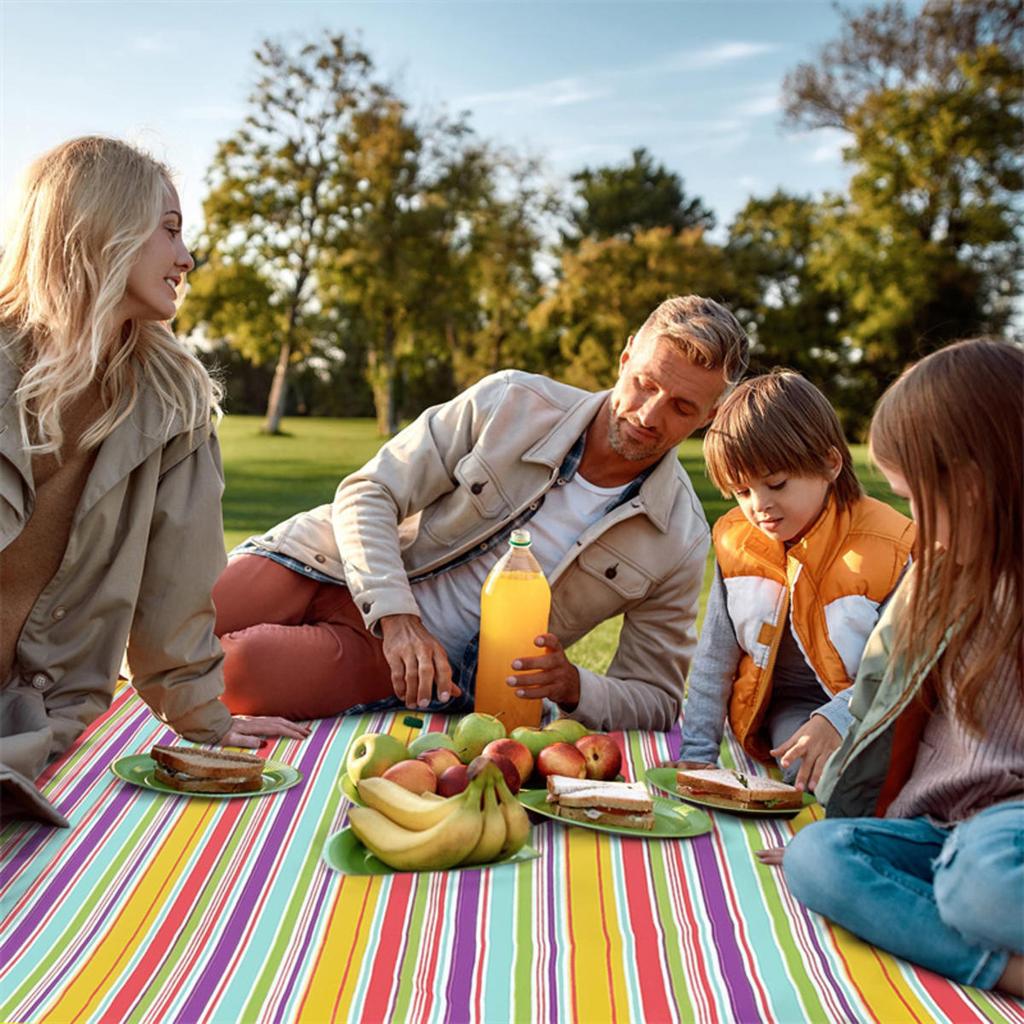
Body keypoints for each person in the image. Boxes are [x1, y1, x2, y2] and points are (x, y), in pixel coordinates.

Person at [211, 296, 750, 731]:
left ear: (711, 414)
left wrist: (573, 686)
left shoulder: (680, 537)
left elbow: (656, 697)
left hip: (411, 665)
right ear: (627, 357)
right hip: (326, 560)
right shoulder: (511, 401)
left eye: (682, 407)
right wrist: (399, 617)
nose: (649, 415)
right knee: (175, 623)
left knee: (227, 673)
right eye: (646, 384)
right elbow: (370, 491)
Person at [0, 137, 308, 827]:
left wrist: (206, 718)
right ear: (100, 230)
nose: (187, 257)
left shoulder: (172, 401)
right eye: (169, 230)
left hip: (31, 716)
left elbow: (178, 582)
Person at [777, 339, 1023, 996]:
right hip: (937, 830)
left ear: (975, 482)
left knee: (982, 885)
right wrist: (846, 818)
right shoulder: (933, 580)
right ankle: (1004, 968)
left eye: (918, 500)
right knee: (817, 857)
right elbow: (877, 694)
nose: (915, 523)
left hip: (1007, 840)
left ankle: (971, 919)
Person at [672, 371, 914, 790]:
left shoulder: (887, 546)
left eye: (776, 484)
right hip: (793, 708)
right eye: (741, 491)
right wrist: (697, 753)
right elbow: (714, 660)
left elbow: (899, 667)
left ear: (830, 463)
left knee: (886, 772)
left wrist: (836, 718)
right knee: (806, 769)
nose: (759, 506)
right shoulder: (737, 543)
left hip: (872, 703)